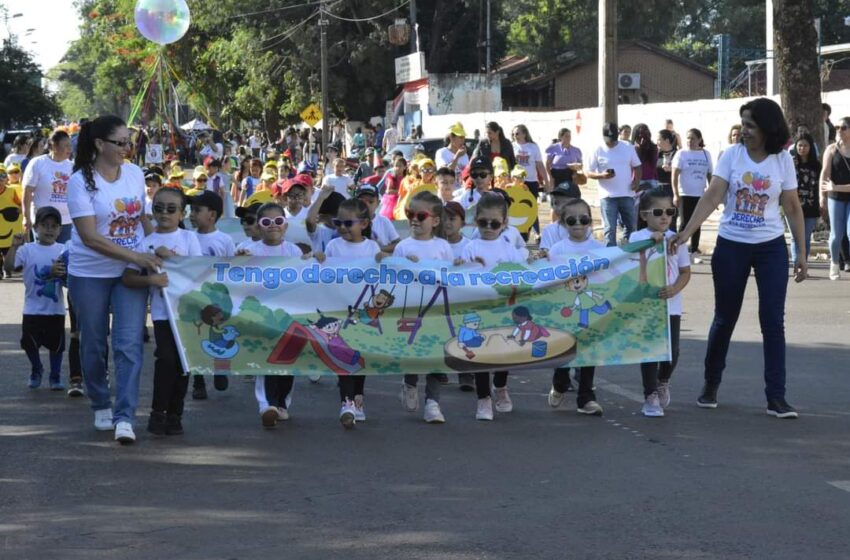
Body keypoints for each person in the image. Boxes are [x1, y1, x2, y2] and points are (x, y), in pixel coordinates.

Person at [671, 97, 806, 419]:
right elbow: (713, 194)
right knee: (725, 317)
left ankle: (777, 397)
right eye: (742, 124)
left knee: (773, 321)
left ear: (767, 128)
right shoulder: (731, 155)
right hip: (732, 245)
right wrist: (686, 232)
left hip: (771, 247)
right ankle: (711, 383)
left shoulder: (782, 160)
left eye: (750, 125)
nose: (743, 131)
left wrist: (800, 251)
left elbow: (792, 206)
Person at [67, 115, 160, 444]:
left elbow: (141, 218)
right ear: (99, 145)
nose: (127, 148)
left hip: (129, 275)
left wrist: (157, 246)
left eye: (129, 142)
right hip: (89, 272)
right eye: (120, 143)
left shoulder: (134, 174)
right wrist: (136, 256)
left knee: (129, 344)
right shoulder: (81, 181)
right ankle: (100, 402)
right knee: (93, 343)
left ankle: (125, 417)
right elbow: (90, 237)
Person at [122, 187, 201, 436]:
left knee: (183, 363)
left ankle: (175, 414)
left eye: (171, 209)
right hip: (163, 313)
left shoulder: (189, 239)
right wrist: (151, 281)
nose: (164, 213)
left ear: (182, 213)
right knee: (166, 359)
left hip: (188, 312)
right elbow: (128, 277)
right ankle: (158, 412)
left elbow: (199, 272)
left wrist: (172, 260)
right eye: (158, 208)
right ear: (151, 210)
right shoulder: (144, 243)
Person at [457, 192, 530, 421]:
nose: (488, 227)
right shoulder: (470, 247)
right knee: (481, 354)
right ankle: (483, 399)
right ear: (475, 220)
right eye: (483, 222)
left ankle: (500, 386)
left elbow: (522, 275)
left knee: (503, 351)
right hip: (478, 309)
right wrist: (463, 265)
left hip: (503, 309)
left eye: (494, 223)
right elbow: (460, 276)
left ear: (504, 223)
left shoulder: (509, 249)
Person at [238, 202, 310, 427]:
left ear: (285, 226)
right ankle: (265, 404)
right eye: (266, 222)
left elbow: (303, 277)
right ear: (258, 227)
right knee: (266, 360)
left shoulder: (293, 251)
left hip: (289, 315)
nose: (272, 226)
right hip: (261, 316)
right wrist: (238, 259)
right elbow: (232, 273)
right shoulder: (250, 250)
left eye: (278, 221)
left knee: (288, 360)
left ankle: (282, 404)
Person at [315, 198, 384, 428]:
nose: (342, 227)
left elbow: (380, 274)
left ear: (364, 223)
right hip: (339, 310)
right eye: (338, 223)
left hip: (363, 314)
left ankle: (358, 399)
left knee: (359, 358)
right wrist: (320, 259)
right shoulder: (334, 246)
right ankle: (346, 403)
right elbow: (325, 272)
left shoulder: (372, 247)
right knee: (343, 357)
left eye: (348, 223)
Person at [390, 191, 453, 423]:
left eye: (421, 215)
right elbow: (394, 278)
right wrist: (406, 267)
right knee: (414, 352)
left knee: (437, 355)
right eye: (410, 214)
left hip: (436, 309)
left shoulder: (443, 246)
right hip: (412, 309)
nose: (414, 219)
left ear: (435, 221)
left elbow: (450, 277)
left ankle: (433, 403)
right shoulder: (403, 246)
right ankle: (409, 382)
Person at [628, 188, 691, 417]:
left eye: (670, 212)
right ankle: (650, 394)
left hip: (671, 306)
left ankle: (663, 380)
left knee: (672, 351)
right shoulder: (638, 238)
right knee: (651, 351)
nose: (665, 217)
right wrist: (650, 242)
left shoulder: (677, 239)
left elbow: (685, 271)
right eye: (658, 212)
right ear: (645, 215)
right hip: (647, 304)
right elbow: (630, 259)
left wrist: (675, 289)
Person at [546, 198, 603, 413]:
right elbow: (546, 278)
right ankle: (560, 384)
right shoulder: (557, 250)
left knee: (588, 353)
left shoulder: (599, 248)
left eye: (584, 218)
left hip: (589, 312)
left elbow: (612, 273)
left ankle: (586, 397)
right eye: (572, 220)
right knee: (565, 354)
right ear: (562, 223)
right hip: (564, 311)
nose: (578, 223)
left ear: (590, 220)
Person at [4, 207, 67, 391]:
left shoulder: (63, 250)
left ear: (60, 230)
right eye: (44, 225)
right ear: (36, 228)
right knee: (29, 343)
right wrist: (14, 246)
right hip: (32, 308)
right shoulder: (27, 250)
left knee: (57, 347)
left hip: (55, 309)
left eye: (54, 226)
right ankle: (36, 367)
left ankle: (55, 375)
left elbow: (69, 278)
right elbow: (9, 266)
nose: (49, 230)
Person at [587, 122, 642, 247]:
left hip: (627, 193)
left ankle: (627, 249)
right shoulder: (597, 149)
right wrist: (602, 175)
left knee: (631, 226)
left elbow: (637, 166)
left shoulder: (628, 147)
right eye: (608, 139)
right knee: (610, 229)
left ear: (618, 135)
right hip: (607, 196)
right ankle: (610, 256)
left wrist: (636, 181)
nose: (610, 142)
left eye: (612, 139)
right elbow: (588, 172)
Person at [22, 130, 74, 242]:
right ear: (54, 146)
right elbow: (27, 191)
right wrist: (26, 218)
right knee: (43, 256)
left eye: (70, 145)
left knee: (64, 257)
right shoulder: (37, 163)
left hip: (66, 222)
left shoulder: (72, 166)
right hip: (43, 222)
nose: (70, 149)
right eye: (66, 146)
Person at [672, 128, 713, 262]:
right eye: (688, 138)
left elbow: (710, 175)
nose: (690, 141)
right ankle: (677, 249)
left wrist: (712, 194)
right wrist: (675, 194)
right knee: (684, 222)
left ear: (700, 140)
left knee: (697, 222)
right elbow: (675, 174)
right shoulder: (681, 153)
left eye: (693, 138)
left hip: (700, 194)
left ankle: (694, 252)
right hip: (684, 194)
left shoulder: (706, 154)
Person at [819, 116, 850, 280]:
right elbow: (824, 173)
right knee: (836, 235)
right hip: (835, 198)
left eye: (843, 127)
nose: (839, 130)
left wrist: (836, 186)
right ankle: (835, 263)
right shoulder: (831, 149)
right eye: (837, 127)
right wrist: (821, 196)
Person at [788, 132, 820, 266]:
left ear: (810, 147)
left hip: (811, 207)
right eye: (799, 145)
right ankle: (797, 264)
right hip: (792, 206)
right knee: (795, 237)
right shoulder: (790, 164)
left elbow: (819, 187)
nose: (802, 148)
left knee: (805, 237)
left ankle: (803, 263)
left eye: (805, 145)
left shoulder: (817, 166)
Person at [511, 124, 548, 234]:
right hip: (516, 182)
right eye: (513, 134)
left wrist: (546, 180)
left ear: (524, 133)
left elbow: (539, 164)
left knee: (531, 207)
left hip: (531, 181)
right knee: (516, 207)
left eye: (517, 133)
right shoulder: (511, 146)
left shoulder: (533, 147)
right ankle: (519, 232)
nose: (515, 136)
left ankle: (537, 232)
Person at [354, 183, 400, 253]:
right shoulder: (350, 221)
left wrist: (378, 249)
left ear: (378, 203)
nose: (366, 204)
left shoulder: (384, 221)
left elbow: (398, 243)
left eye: (370, 202)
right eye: (362, 201)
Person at [545, 128, 583, 193]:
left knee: (570, 197)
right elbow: (547, 164)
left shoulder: (575, 150)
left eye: (569, 136)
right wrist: (550, 177)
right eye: (566, 136)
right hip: (556, 176)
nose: (568, 138)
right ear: (560, 137)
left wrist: (575, 170)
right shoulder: (554, 148)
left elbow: (580, 165)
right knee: (557, 197)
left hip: (569, 175)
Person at [434, 122, 469, 190]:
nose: (463, 140)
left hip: (462, 194)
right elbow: (444, 173)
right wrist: (457, 156)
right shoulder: (441, 152)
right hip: (447, 193)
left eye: (464, 137)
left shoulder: (464, 155)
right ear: (451, 137)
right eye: (460, 137)